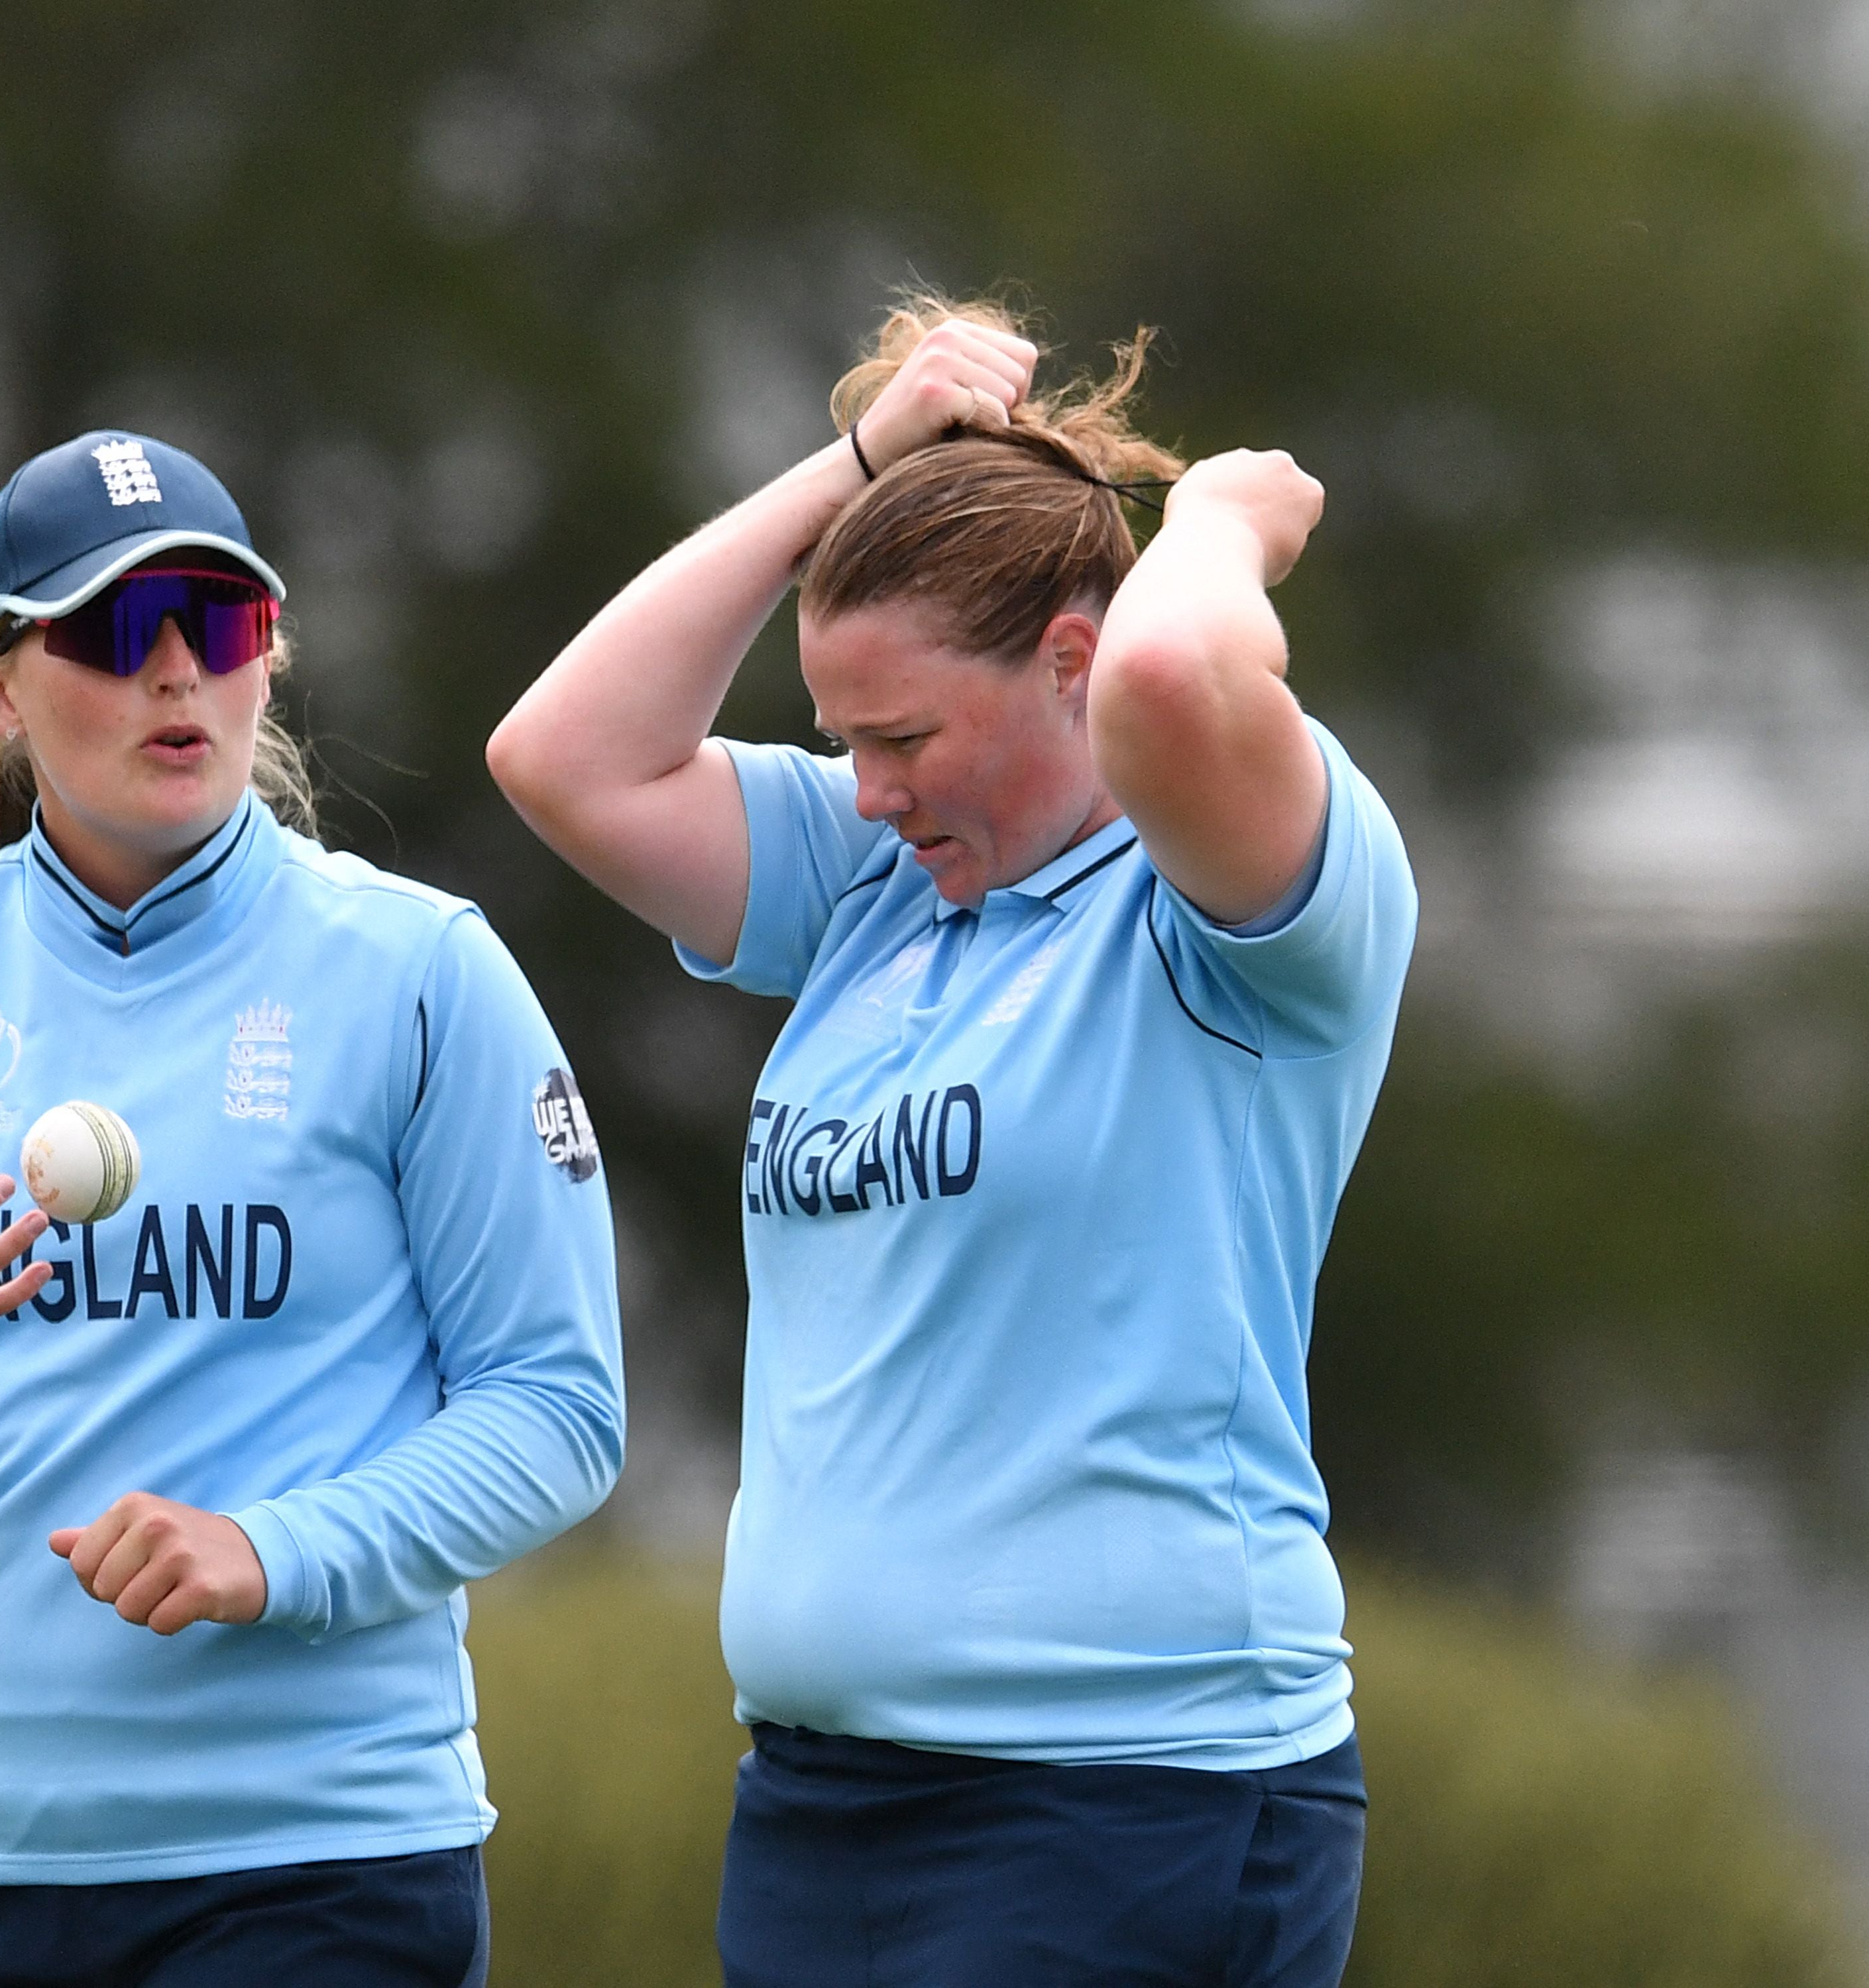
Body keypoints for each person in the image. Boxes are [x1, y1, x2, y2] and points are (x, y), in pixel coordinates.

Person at [486, 299, 1414, 1987]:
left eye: (902, 738)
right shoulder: (882, 888)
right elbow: (564, 757)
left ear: (1069, 660)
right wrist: (851, 469)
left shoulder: (1231, 907)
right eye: (843, 740)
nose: (864, 789)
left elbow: (1174, 670)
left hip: (1133, 1805)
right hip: (824, 1807)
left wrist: (1211, 522)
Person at [0, 429, 625, 1988]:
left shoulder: (423, 971)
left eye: (225, 622)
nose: (181, 672)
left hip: (315, 1867)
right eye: (122, 632)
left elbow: (559, 1410)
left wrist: (275, 1550)